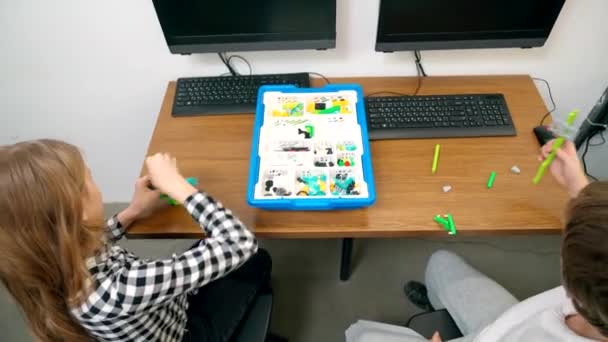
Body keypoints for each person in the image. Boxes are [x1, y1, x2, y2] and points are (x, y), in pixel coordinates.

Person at [0, 139, 271, 342]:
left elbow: (94, 240)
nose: (96, 185)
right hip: (187, 330)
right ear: (79, 210)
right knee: (256, 259)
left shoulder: (50, 258)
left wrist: (132, 213)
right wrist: (177, 186)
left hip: (158, 307)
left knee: (208, 252)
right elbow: (240, 243)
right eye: (89, 179)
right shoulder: (120, 290)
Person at [347, 139, 608, 342]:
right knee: (440, 263)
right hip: (504, 324)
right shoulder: (598, 291)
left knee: (363, 335)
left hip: (503, 332)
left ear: (574, 287)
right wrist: (580, 189)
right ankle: (445, 311)